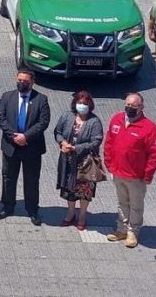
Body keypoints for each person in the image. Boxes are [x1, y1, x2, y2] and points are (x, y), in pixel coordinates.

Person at [104, 93, 156, 248]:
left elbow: (154, 154)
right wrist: (108, 163)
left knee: (136, 205)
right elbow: (109, 142)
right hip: (117, 172)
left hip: (136, 176)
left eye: (133, 106)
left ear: (141, 107)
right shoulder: (116, 119)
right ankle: (121, 229)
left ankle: (132, 232)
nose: (129, 108)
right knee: (122, 202)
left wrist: (148, 174)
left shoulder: (149, 127)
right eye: (127, 105)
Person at [0, 69, 50, 225]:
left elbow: (43, 122)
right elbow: (1, 118)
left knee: (32, 180)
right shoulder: (7, 96)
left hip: (31, 146)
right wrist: (14, 136)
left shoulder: (41, 99)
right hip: (11, 146)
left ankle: (32, 210)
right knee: (8, 177)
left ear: (32, 82)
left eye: (25, 81)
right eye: (19, 80)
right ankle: (7, 206)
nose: (21, 83)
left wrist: (26, 136)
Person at [53, 91, 103, 231]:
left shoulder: (94, 121)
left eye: (85, 104)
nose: (82, 106)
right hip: (68, 160)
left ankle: (82, 216)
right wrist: (63, 143)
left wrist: (75, 148)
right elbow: (58, 132)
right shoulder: (67, 116)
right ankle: (70, 214)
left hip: (85, 163)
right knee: (69, 189)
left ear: (90, 105)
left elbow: (96, 141)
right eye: (80, 103)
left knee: (83, 191)